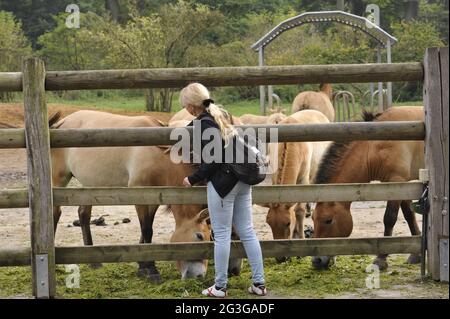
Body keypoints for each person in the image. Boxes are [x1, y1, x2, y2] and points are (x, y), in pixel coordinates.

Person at [180, 83, 266, 298]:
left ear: (191, 106)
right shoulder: (219, 115)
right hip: (242, 180)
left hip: (223, 184)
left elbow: (214, 158)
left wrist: (193, 178)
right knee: (247, 231)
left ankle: (219, 287)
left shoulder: (205, 125)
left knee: (222, 236)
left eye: (185, 106)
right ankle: (259, 283)